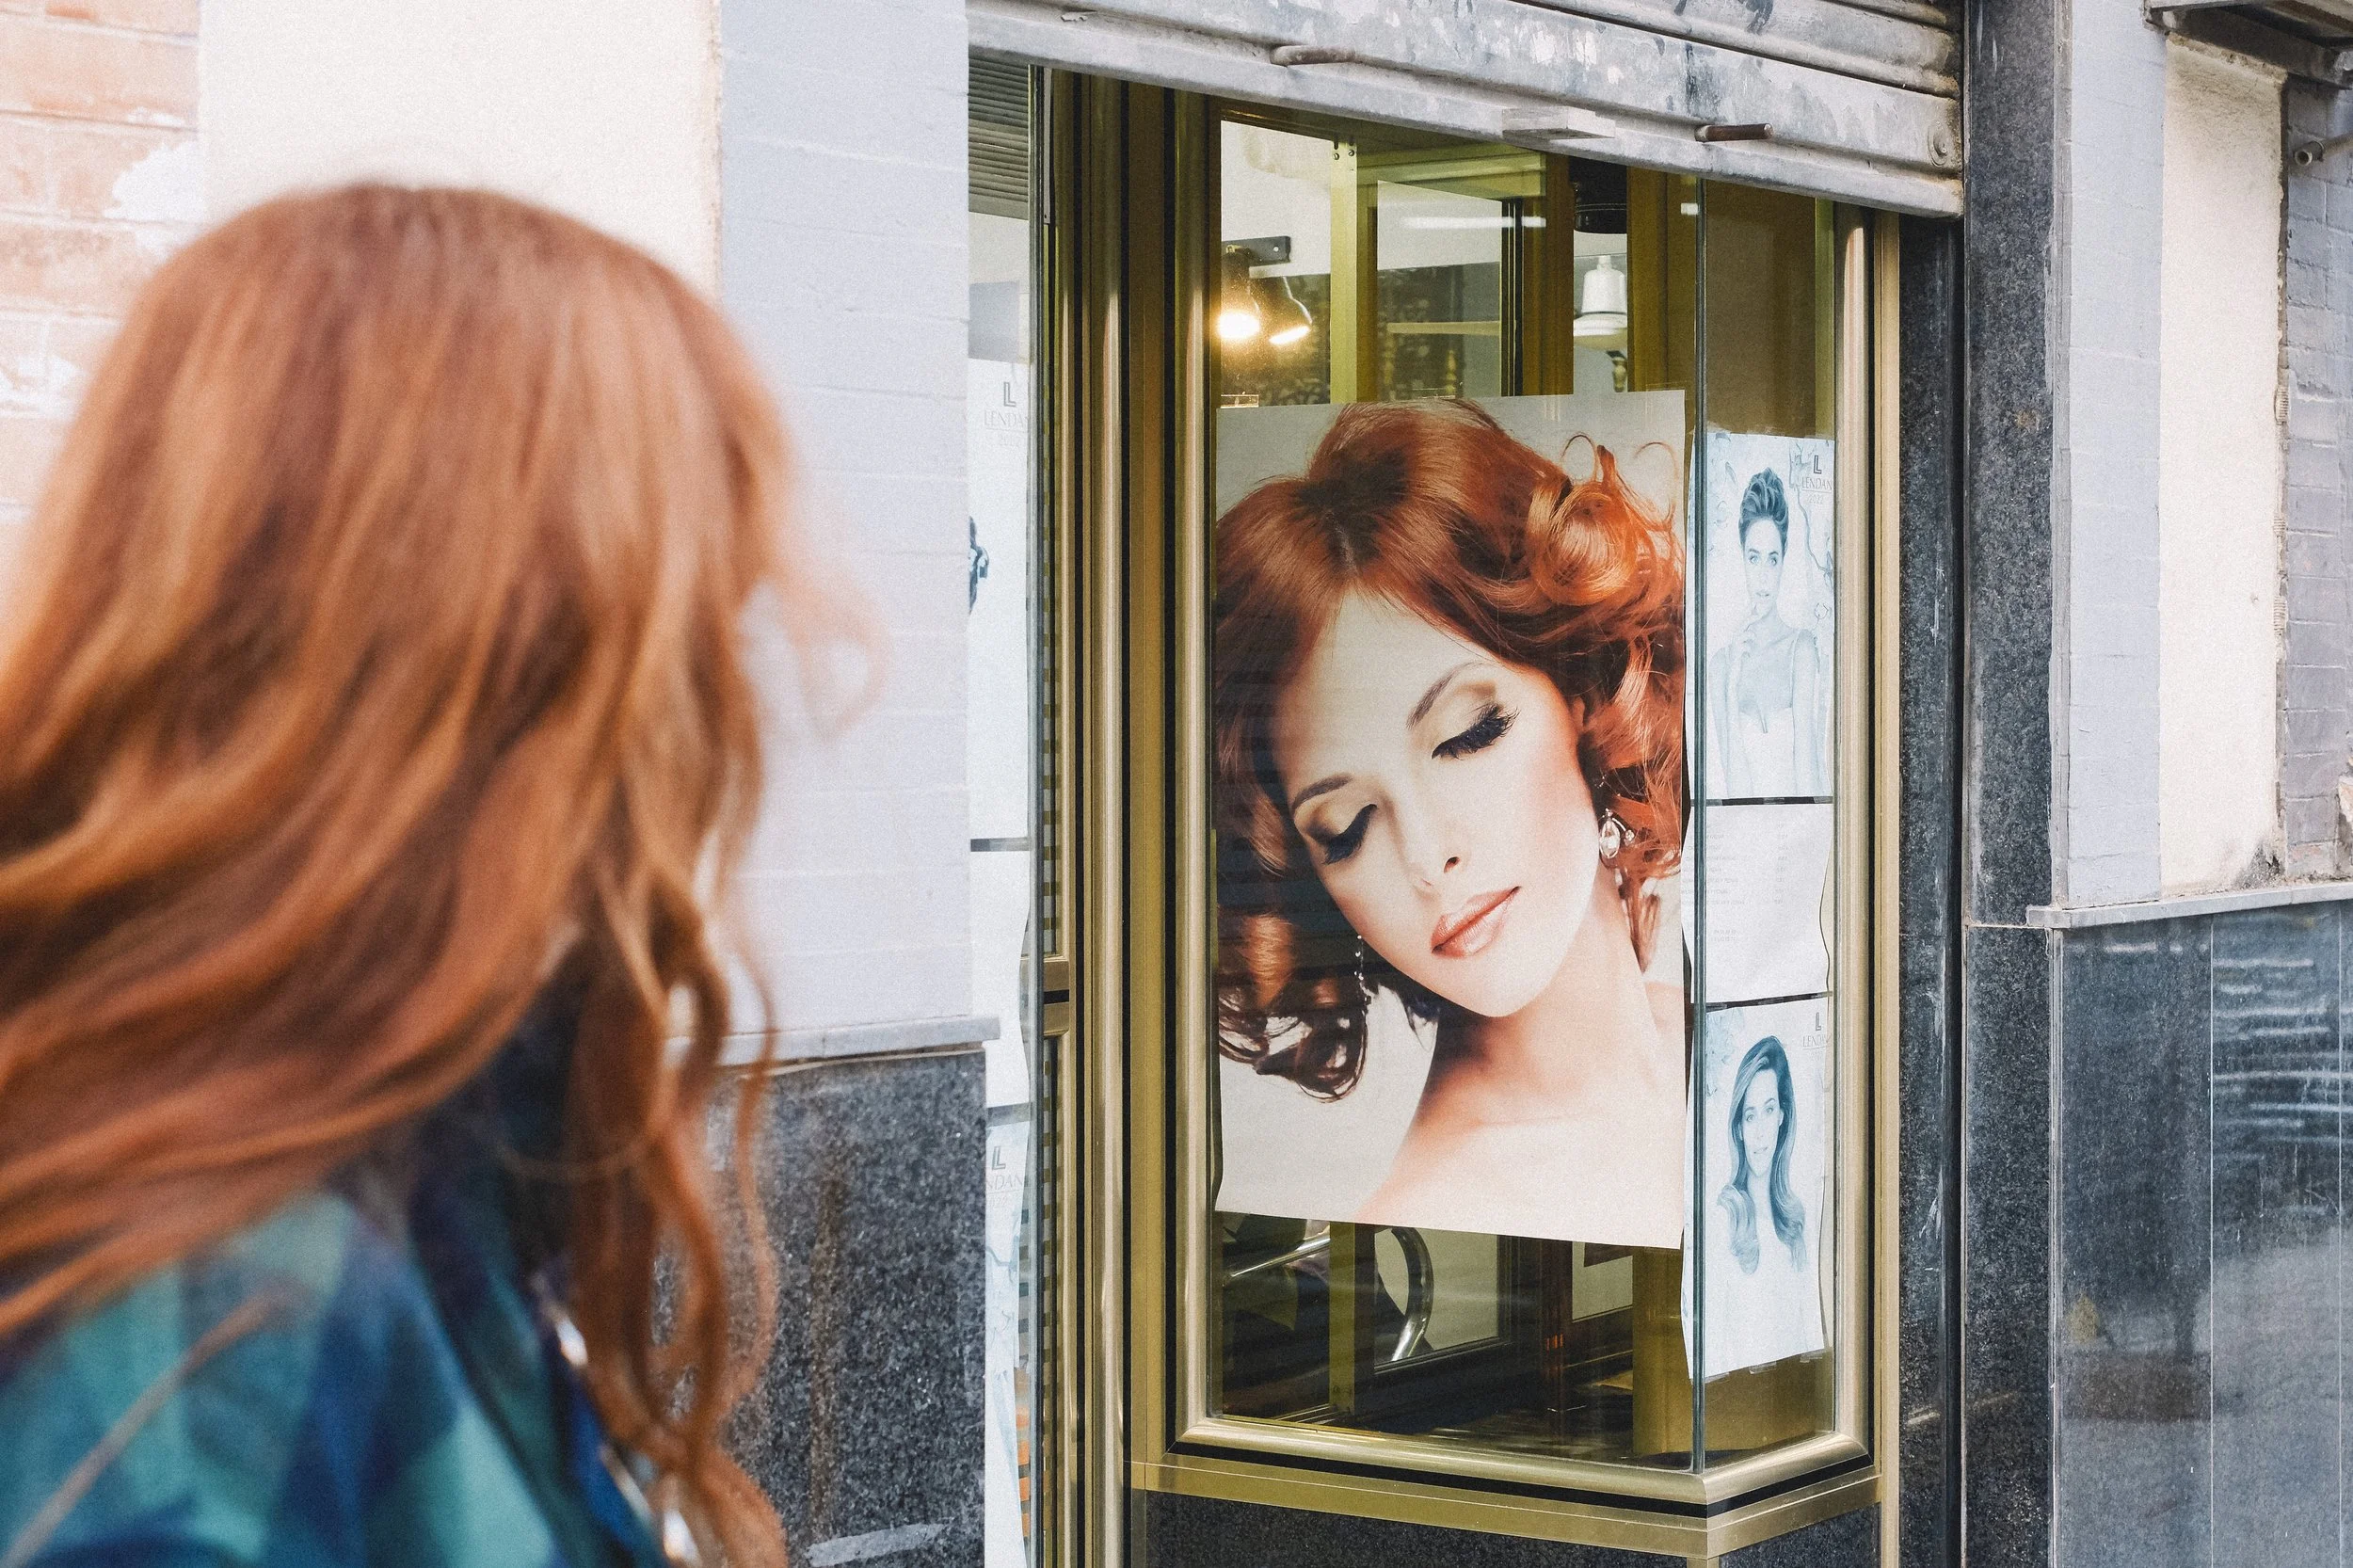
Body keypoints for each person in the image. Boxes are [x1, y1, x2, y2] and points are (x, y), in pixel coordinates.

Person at [0, 186, 839, 1567]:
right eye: (686, 603)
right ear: (510, 651)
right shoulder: (217, 1315)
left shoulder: (395, 1162)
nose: (722, 693)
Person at [1213, 401, 1686, 1247]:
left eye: (1468, 736)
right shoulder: (1440, 1198)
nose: (1430, 858)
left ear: (1581, 684)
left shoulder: (1714, 1041)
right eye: (1349, 826)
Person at [1703, 1033, 1822, 1376]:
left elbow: (1812, 1335)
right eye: (1750, 1116)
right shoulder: (1723, 1218)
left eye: (1769, 1110)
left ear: (1783, 1115)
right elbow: (1714, 1354)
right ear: (1738, 1127)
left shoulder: (1796, 1217)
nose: (1759, 1133)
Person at [1709, 469, 1827, 798]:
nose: (1763, 576)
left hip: (1798, 837)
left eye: (1772, 560)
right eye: (1754, 558)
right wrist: (1732, 689)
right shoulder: (1721, 666)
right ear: (1742, 557)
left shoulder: (1800, 649)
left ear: (1784, 560)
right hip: (1745, 839)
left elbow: (1808, 780)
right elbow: (1736, 792)